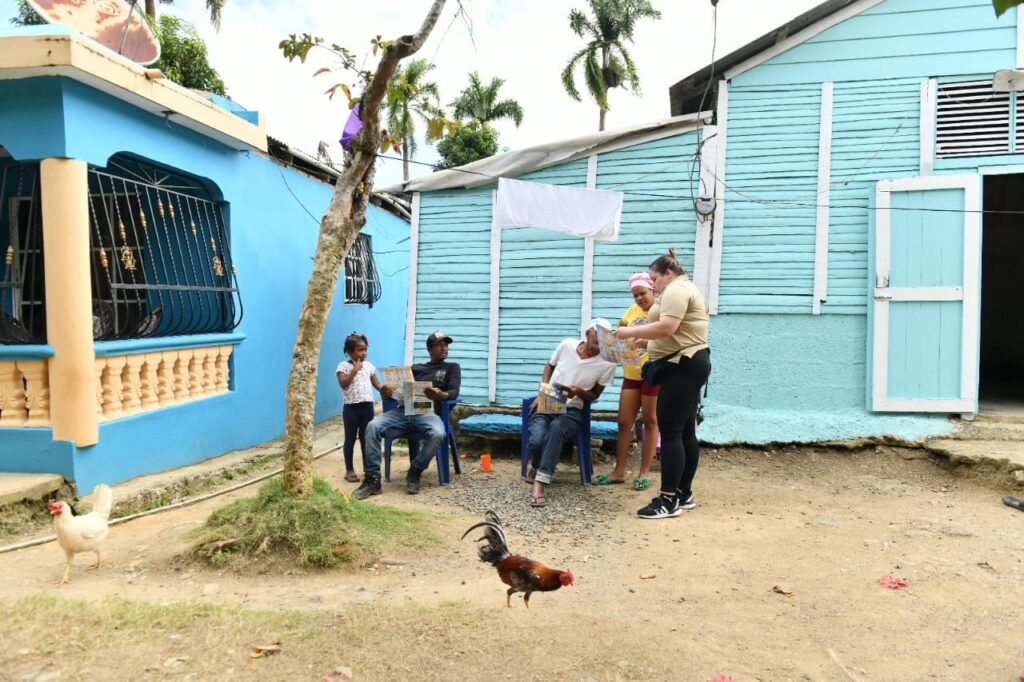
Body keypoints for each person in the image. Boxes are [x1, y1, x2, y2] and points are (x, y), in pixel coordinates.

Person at [615, 248, 710, 520]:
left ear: (668, 274)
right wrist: (649, 342)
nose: (652, 284)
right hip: (689, 362)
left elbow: (668, 327)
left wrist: (630, 331)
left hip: (682, 366)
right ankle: (683, 492)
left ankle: (668, 499)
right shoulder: (683, 288)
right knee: (683, 433)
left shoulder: (677, 290)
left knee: (670, 433)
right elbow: (678, 332)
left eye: (654, 278)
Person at [352, 331, 461, 498]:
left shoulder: (452, 368)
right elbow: (394, 392)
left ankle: (415, 470)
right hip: (403, 411)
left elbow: (453, 392)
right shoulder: (416, 368)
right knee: (372, 426)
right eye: (440, 345)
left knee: (438, 433)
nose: (444, 348)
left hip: (428, 413)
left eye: (446, 345)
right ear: (430, 349)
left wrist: (441, 395)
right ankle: (373, 479)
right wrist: (387, 392)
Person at [525, 319, 616, 508]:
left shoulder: (608, 364)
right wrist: (542, 392)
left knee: (557, 428)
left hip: (573, 409)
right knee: (537, 441)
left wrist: (579, 392)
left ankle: (540, 482)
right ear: (587, 333)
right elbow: (549, 366)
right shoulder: (566, 345)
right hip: (550, 400)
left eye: (605, 336)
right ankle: (536, 466)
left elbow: (594, 394)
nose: (599, 339)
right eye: (596, 333)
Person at [596, 272, 660, 491]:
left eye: (643, 293)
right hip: (631, 373)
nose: (639, 298)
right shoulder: (631, 312)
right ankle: (619, 471)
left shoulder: (661, 311)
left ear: (653, 290)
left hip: (652, 373)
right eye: (635, 295)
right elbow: (620, 331)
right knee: (624, 422)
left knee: (650, 421)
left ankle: (645, 471)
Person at [336, 332, 388, 483]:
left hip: (367, 407)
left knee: (366, 438)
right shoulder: (343, 366)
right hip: (351, 408)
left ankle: (368, 468)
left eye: (365, 349)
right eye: (359, 350)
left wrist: (384, 388)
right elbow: (344, 384)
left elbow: (377, 384)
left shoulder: (369, 366)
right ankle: (349, 470)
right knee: (350, 439)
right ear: (349, 351)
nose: (363, 353)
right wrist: (354, 370)